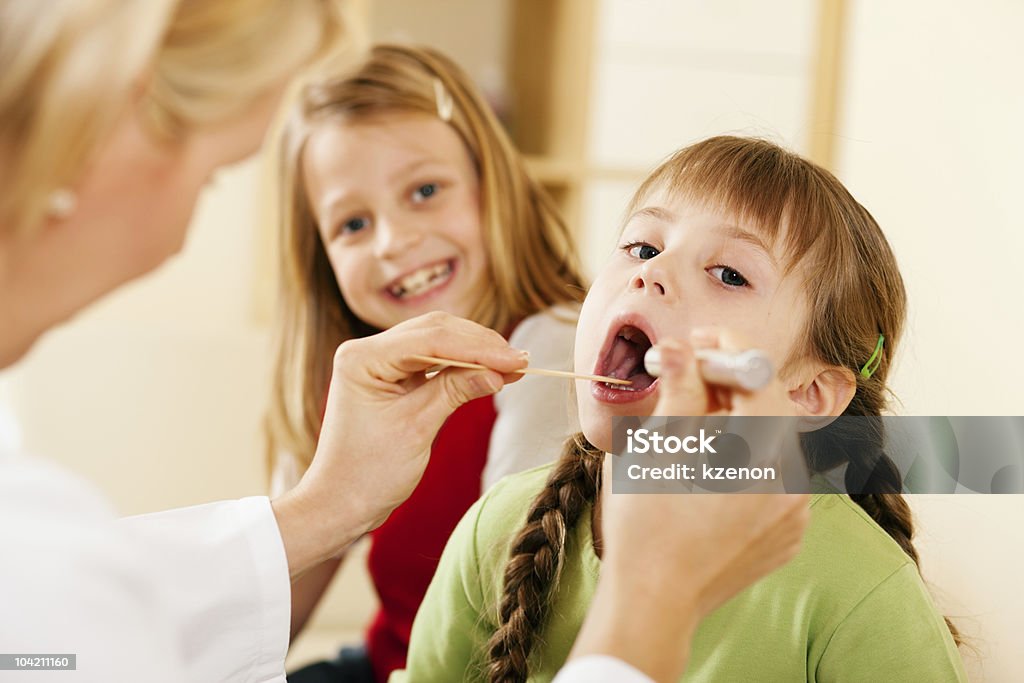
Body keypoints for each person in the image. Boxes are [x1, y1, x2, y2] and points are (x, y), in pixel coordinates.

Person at [0, 2, 810, 681]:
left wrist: (793, 441)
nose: (395, 241)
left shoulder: (574, 370)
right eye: (640, 247)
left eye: (730, 274)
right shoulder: (354, 382)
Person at [395, 136, 968, 682]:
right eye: (643, 247)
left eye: (729, 275)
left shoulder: (860, 590)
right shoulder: (496, 528)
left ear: (807, 394)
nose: (653, 272)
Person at [266, 44, 585, 682]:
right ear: (321, 258)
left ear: (489, 183)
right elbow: (270, 607)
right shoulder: (351, 379)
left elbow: (517, 600)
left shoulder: (551, 349)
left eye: (425, 190)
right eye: (353, 224)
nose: (395, 241)